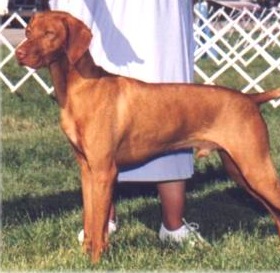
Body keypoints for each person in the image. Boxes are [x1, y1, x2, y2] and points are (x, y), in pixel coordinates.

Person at [48, 0, 205, 244]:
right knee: (101, 137)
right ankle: (101, 224)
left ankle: (173, 226)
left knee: (173, 117)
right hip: (111, 19)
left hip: (165, 17)